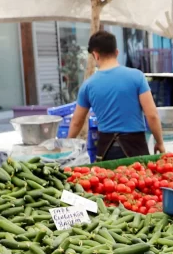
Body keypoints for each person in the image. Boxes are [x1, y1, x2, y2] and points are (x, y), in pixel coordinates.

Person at [68, 31, 165, 160]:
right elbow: (152, 115)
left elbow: (76, 122)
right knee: (139, 180)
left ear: (95, 55)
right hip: (136, 148)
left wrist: (67, 146)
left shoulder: (88, 85)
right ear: (117, 52)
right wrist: (159, 142)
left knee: (109, 179)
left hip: (106, 151)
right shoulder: (137, 77)